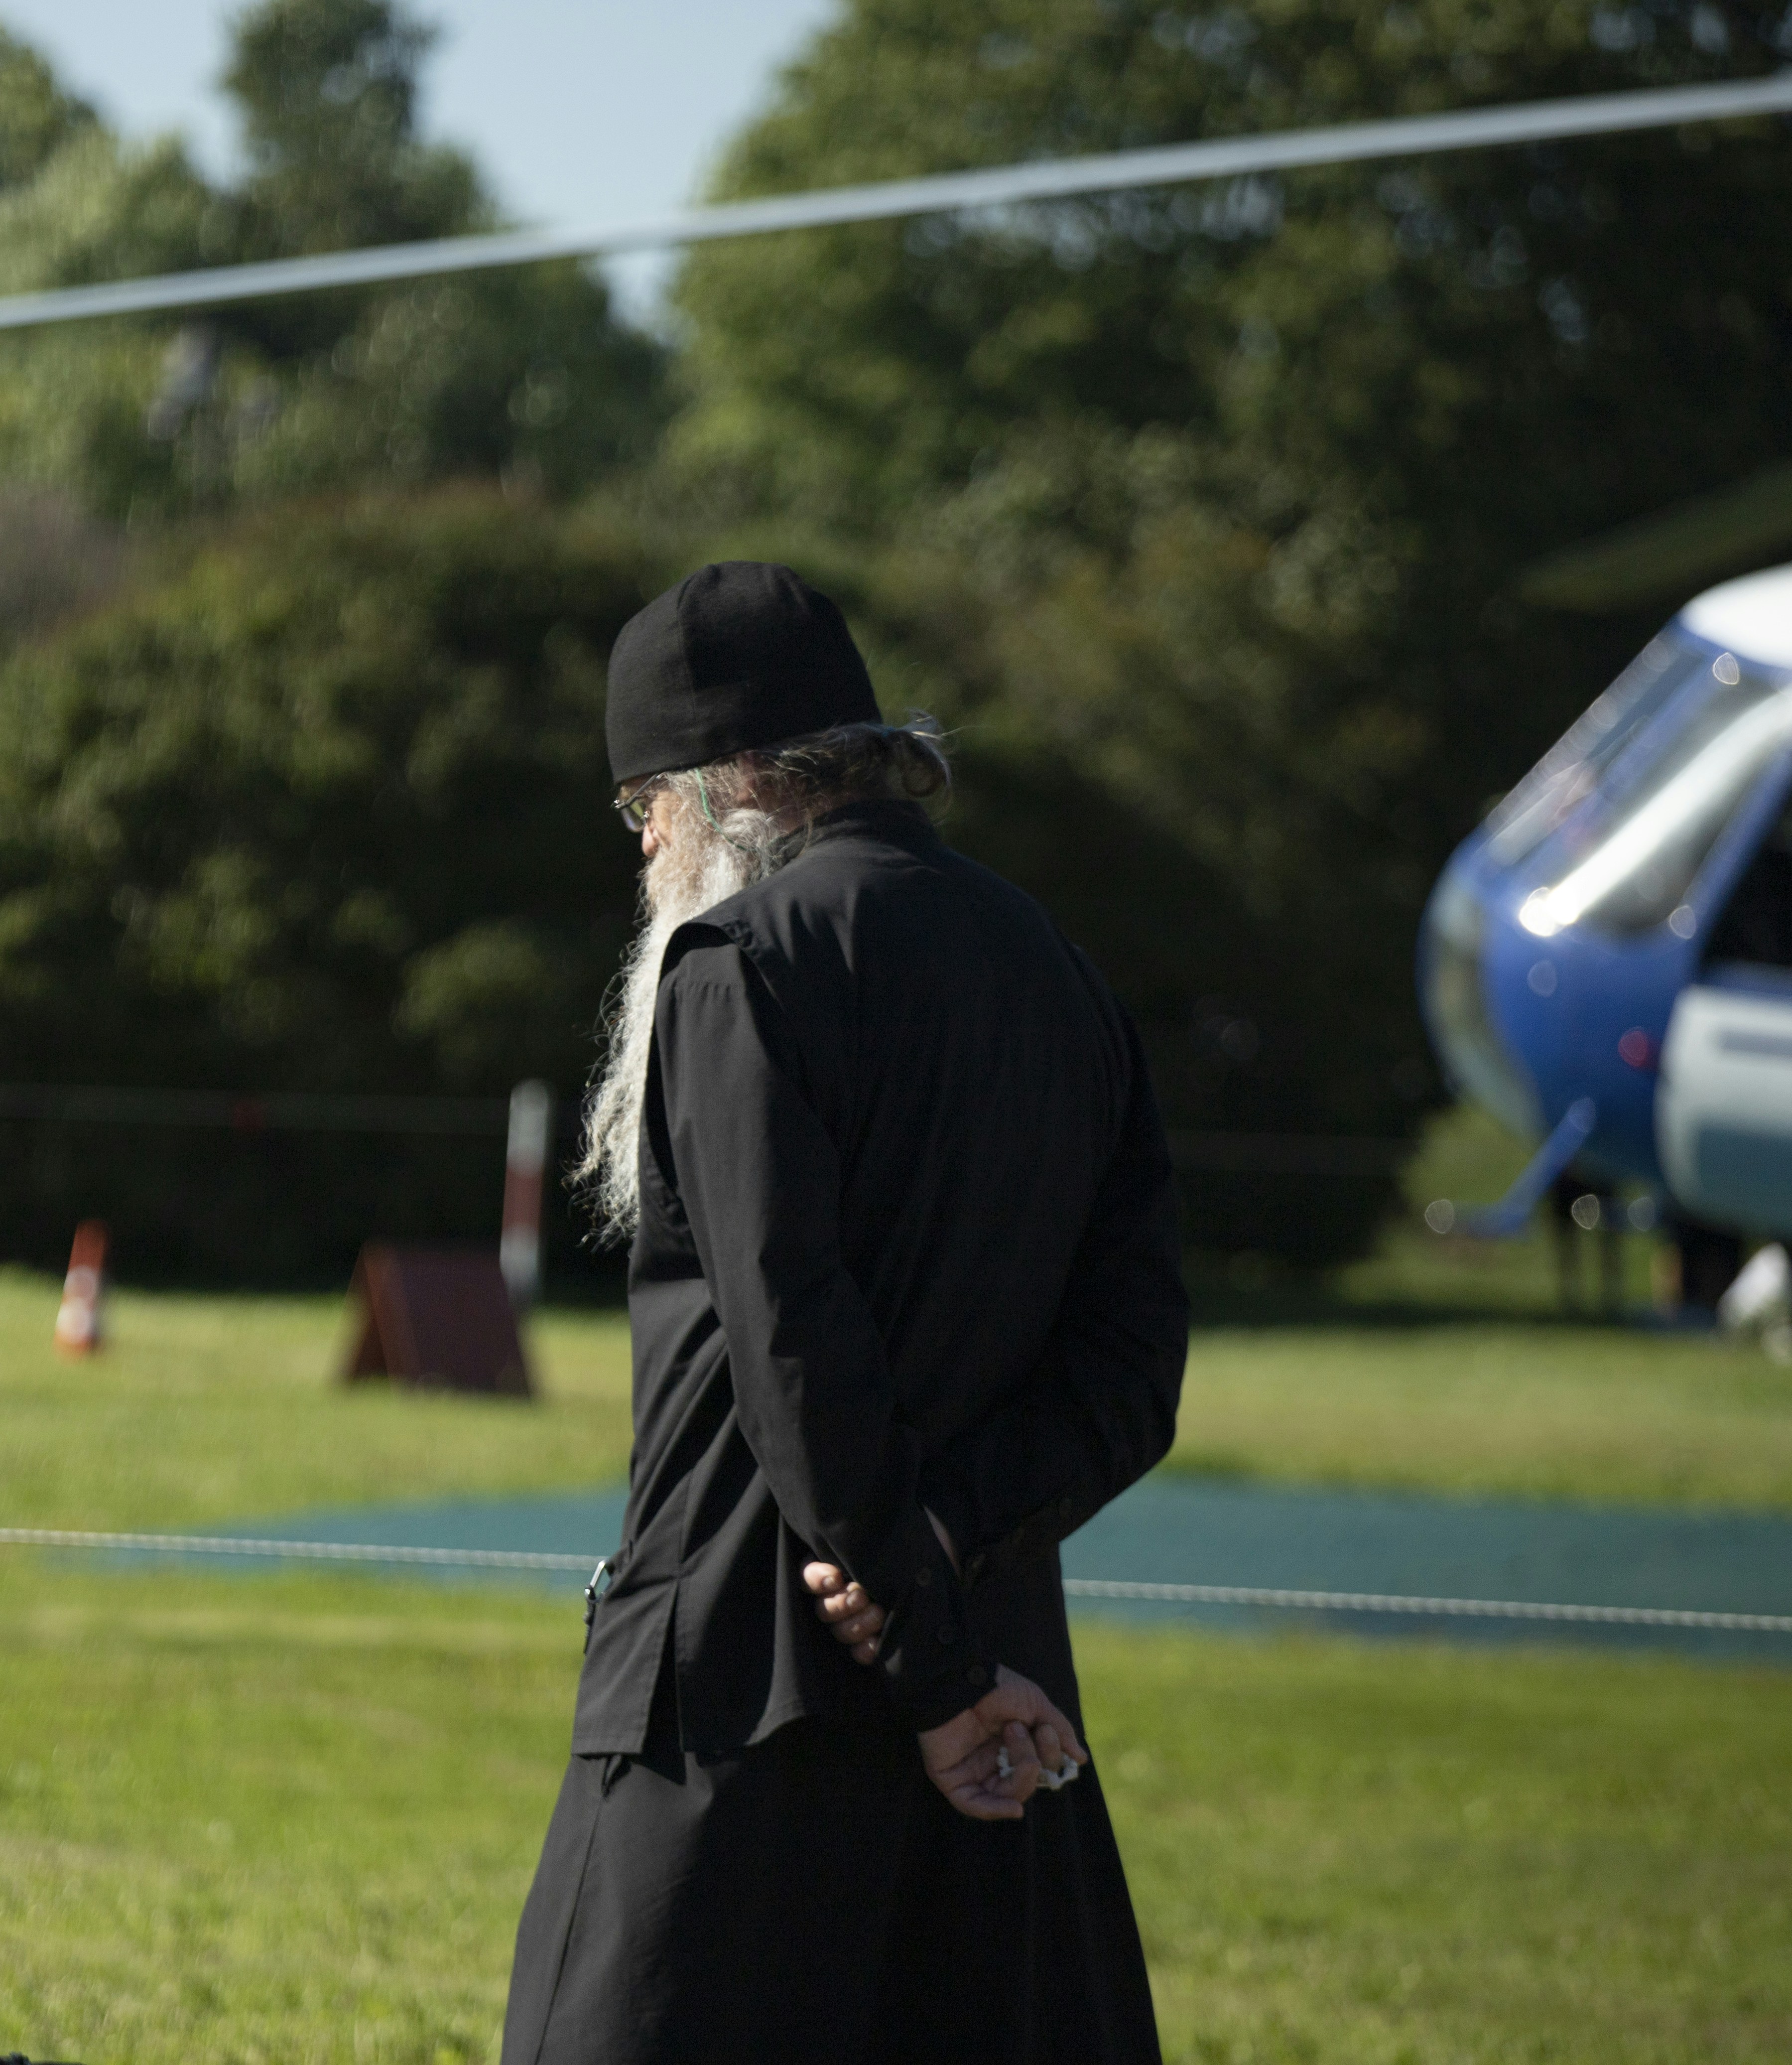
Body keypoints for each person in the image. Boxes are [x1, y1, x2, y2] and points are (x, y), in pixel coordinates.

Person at [501, 562, 1189, 2065]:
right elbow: (1134, 1372)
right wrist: (947, 1562)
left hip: (749, 1708)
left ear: (724, 786)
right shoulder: (1063, 976)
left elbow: (795, 1352)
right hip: (1004, 1724)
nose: (644, 856)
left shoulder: (740, 970)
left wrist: (925, 1657)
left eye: (643, 814)